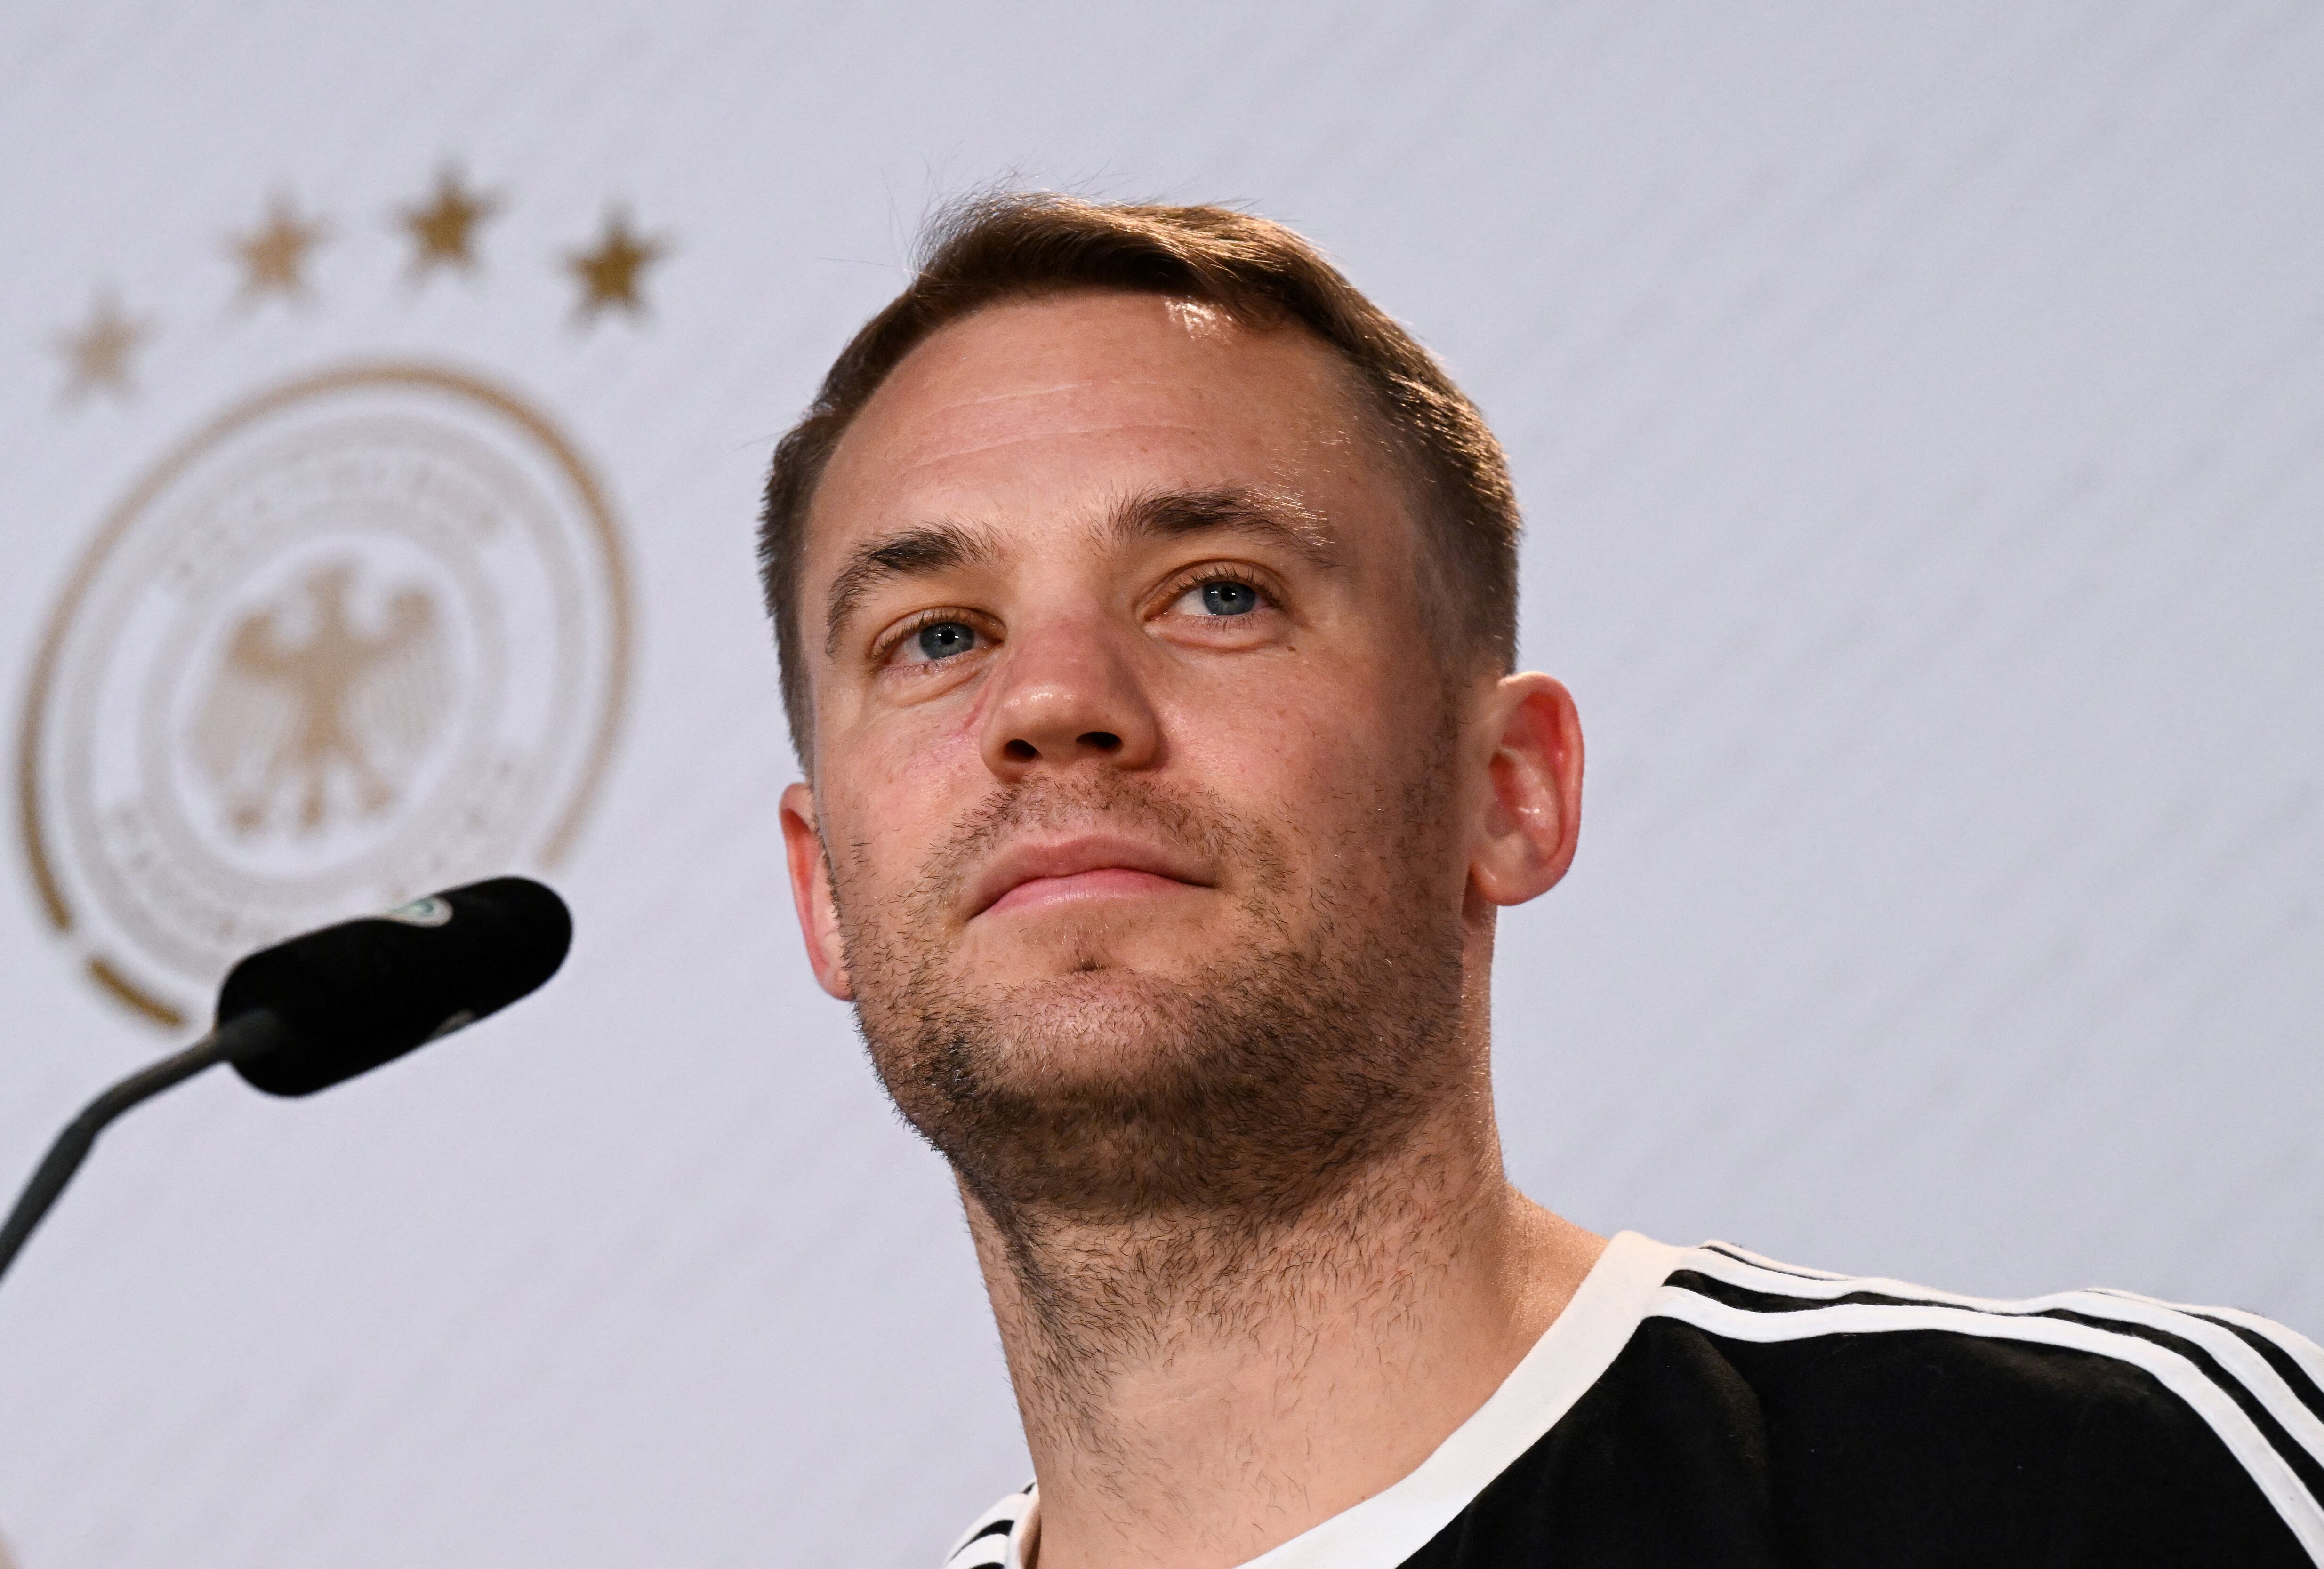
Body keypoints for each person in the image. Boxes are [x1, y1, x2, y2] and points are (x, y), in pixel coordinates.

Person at [760, 193, 2324, 1569]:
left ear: (1509, 790)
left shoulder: (2096, 1492)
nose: (1050, 703)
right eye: (939, 636)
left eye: (1217, 594)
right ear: (826, 885)